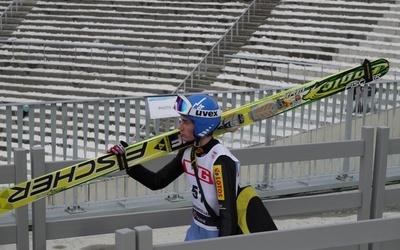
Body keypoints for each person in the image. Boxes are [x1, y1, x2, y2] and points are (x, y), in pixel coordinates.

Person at [108, 94, 240, 241]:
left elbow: (228, 214)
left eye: (186, 122)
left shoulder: (220, 160)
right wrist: (127, 160)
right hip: (195, 230)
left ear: (202, 125)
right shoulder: (188, 152)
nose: (180, 127)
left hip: (216, 233)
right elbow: (157, 181)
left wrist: (223, 245)